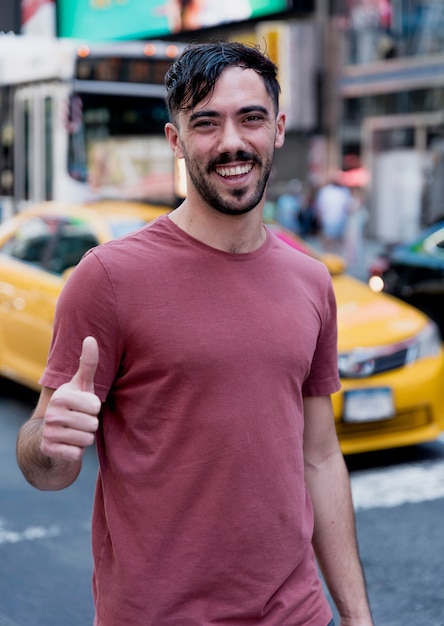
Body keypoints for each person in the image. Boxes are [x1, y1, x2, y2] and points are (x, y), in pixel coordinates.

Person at [16, 42, 373, 626]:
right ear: (177, 141)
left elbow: (320, 457)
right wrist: (50, 443)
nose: (231, 142)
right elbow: (45, 469)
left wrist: (357, 615)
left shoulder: (311, 280)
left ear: (278, 128)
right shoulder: (108, 277)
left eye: (250, 118)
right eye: (206, 123)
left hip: (297, 614)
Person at [315, 173, 352, 252]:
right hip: (327, 219)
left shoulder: (345, 191)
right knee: (327, 239)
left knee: (338, 241)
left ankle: (336, 258)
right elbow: (320, 206)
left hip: (340, 220)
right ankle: (327, 257)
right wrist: (319, 217)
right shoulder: (325, 190)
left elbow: (348, 206)